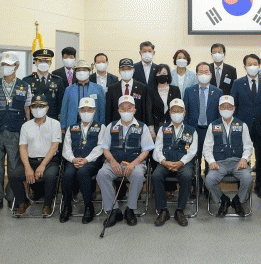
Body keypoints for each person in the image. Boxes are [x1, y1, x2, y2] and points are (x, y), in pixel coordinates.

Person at [0, 51, 32, 214]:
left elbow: (27, 110)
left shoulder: (24, 86)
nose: (5, 67)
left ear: (16, 66)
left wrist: (28, 133)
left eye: (9, 65)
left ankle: (12, 197)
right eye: (3, 64)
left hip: (16, 131)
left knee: (14, 168)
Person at [98, 95, 154, 228]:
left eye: (129, 108)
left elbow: (146, 150)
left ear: (134, 110)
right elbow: (105, 148)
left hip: (135, 163)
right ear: (118, 110)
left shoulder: (142, 127)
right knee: (102, 174)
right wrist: (112, 162)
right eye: (123, 108)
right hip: (114, 163)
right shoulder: (111, 126)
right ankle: (114, 210)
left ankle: (130, 209)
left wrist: (133, 164)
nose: (126, 111)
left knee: (138, 175)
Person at [230, 54, 261, 198]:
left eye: (255, 64)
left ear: (259, 65)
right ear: (244, 67)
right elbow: (233, 106)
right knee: (243, 159)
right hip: (243, 128)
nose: (252, 66)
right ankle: (243, 189)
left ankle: (260, 186)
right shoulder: (238, 83)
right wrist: (236, 126)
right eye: (249, 64)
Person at [10, 94, 61, 217]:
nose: (38, 109)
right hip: (31, 161)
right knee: (13, 174)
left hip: (49, 161)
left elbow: (54, 146)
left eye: (41, 106)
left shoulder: (55, 124)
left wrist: (42, 165)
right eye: (35, 106)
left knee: (50, 176)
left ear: (47, 108)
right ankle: (23, 202)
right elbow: (22, 147)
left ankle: (47, 205)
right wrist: (27, 167)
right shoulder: (26, 126)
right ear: (30, 109)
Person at [203, 95, 254, 217]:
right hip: (219, 163)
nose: (226, 109)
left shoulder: (242, 125)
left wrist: (244, 159)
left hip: (238, 162)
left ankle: (238, 200)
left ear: (234, 108)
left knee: (248, 179)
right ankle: (223, 199)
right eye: (223, 106)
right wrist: (211, 161)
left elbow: (248, 146)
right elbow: (207, 148)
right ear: (219, 108)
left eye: (229, 106)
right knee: (209, 180)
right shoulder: (212, 126)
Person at [152, 99, 198, 226]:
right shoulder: (163, 128)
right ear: (170, 113)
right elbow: (157, 149)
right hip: (165, 162)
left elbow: (192, 151)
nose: (176, 113)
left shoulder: (191, 130)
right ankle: (163, 210)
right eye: (174, 111)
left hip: (184, 163)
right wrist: (163, 162)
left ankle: (180, 210)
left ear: (184, 112)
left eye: (179, 111)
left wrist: (181, 163)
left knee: (187, 176)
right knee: (156, 176)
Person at [60, 97, 105, 224]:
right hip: (73, 160)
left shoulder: (101, 127)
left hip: (92, 161)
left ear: (94, 111)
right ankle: (67, 206)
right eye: (83, 110)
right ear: (79, 111)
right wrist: (73, 159)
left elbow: (100, 147)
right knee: (67, 174)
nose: (86, 112)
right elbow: (66, 148)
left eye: (89, 109)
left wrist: (86, 160)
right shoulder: (71, 127)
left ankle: (88, 207)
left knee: (82, 173)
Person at [184, 62, 222, 194]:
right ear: (196, 74)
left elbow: (219, 115)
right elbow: (185, 113)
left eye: (206, 72)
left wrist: (217, 132)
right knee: (195, 160)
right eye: (201, 72)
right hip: (194, 131)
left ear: (211, 74)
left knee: (209, 160)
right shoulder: (189, 91)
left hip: (210, 131)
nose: (204, 74)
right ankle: (196, 186)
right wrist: (187, 133)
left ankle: (208, 187)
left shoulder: (218, 92)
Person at [60, 59, 105, 130]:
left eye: (84, 70)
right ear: (75, 72)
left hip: (93, 125)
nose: (81, 72)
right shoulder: (69, 89)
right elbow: (64, 109)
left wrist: (102, 125)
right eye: (79, 70)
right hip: (73, 124)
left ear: (89, 72)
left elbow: (102, 109)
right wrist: (63, 127)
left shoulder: (98, 89)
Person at [105, 58, 149, 126]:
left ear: (133, 70)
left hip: (137, 126)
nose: (126, 71)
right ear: (119, 71)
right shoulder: (112, 89)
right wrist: (109, 127)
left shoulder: (142, 88)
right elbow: (108, 111)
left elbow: (144, 110)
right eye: (123, 69)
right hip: (117, 126)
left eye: (129, 69)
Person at [23, 49, 64, 120]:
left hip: (52, 119)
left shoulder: (57, 80)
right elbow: (25, 104)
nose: (43, 63)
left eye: (46, 61)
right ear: (35, 62)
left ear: (50, 63)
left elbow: (61, 103)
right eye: (40, 61)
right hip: (33, 119)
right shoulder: (27, 80)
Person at [148, 63, 181, 133]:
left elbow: (179, 108)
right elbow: (148, 111)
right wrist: (151, 131)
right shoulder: (150, 91)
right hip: (156, 127)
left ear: (168, 75)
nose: (161, 75)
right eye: (159, 73)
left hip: (173, 125)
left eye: (164, 73)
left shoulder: (175, 90)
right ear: (155, 75)